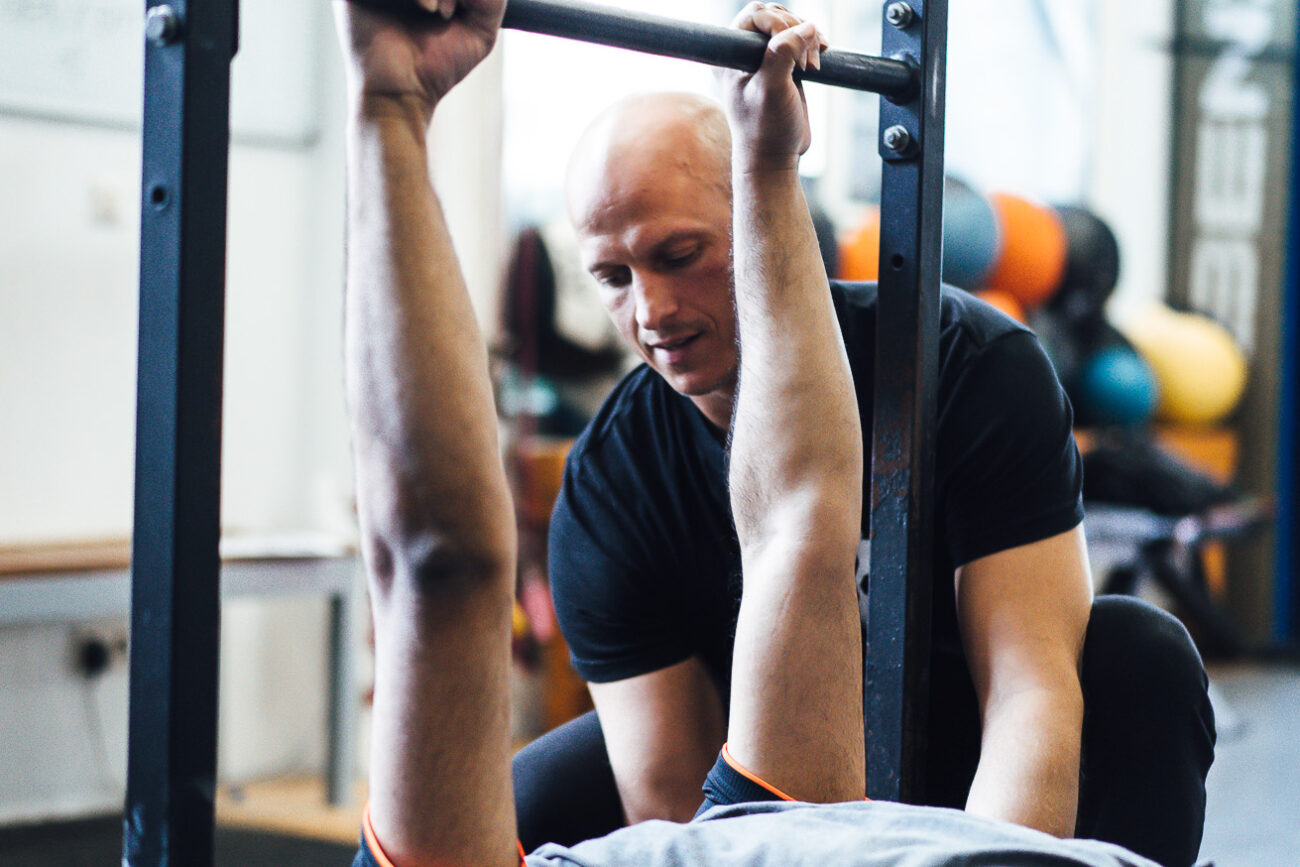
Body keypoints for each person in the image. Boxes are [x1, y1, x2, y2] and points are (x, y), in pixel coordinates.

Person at [336, 0, 1169, 864]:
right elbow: (677, 813)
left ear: (748, 220)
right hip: (770, 749)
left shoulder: (972, 365)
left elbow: (1030, 692)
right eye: (614, 277)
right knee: (539, 782)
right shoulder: (610, 486)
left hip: (956, 735)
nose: (650, 312)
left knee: (1141, 658)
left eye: (680, 255)